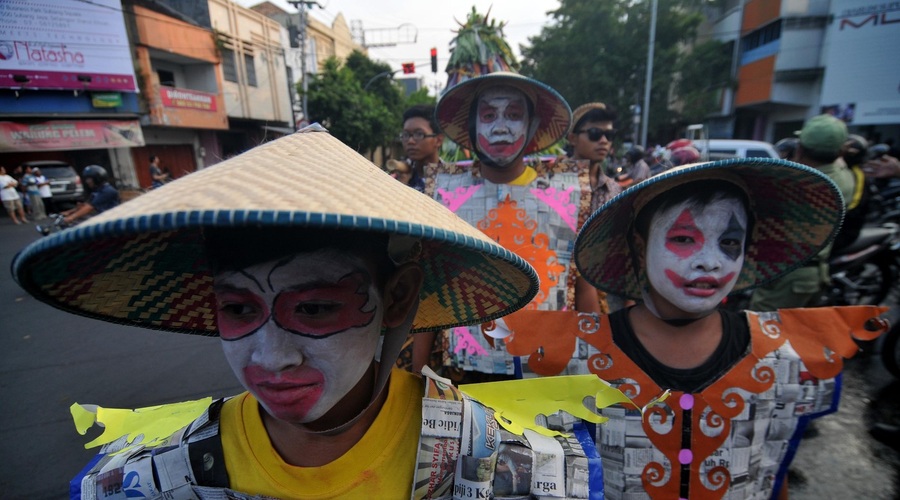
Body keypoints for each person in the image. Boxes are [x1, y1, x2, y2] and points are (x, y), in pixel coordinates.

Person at [13, 127, 604, 498]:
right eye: (239, 308)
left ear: (396, 300)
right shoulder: (151, 481)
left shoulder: (515, 471)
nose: (272, 356)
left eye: (316, 307)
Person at [493, 157, 890, 498]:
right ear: (638, 245)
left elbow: (772, 476)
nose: (710, 262)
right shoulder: (573, 355)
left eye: (730, 243)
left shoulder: (784, 356)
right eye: (684, 238)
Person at [421, 70, 601, 382]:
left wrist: (597, 365)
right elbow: (430, 289)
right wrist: (416, 377)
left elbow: (582, 287)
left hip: (547, 367)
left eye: (514, 115)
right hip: (467, 373)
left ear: (532, 125)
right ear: (472, 125)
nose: (500, 128)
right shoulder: (446, 196)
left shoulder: (566, 195)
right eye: (489, 115)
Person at [749, 114, 856, 310]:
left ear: (800, 148)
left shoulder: (796, 186)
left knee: (762, 333)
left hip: (788, 276)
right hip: (813, 274)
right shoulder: (845, 178)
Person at [565, 102, 622, 212]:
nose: (604, 141)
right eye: (595, 133)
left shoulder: (615, 191)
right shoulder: (549, 183)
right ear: (573, 139)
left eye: (609, 135)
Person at [396, 104, 444, 192]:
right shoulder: (396, 179)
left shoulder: (454, 177)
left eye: (419, 134)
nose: (410, 141)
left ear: (438, 140)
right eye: (406, 135)